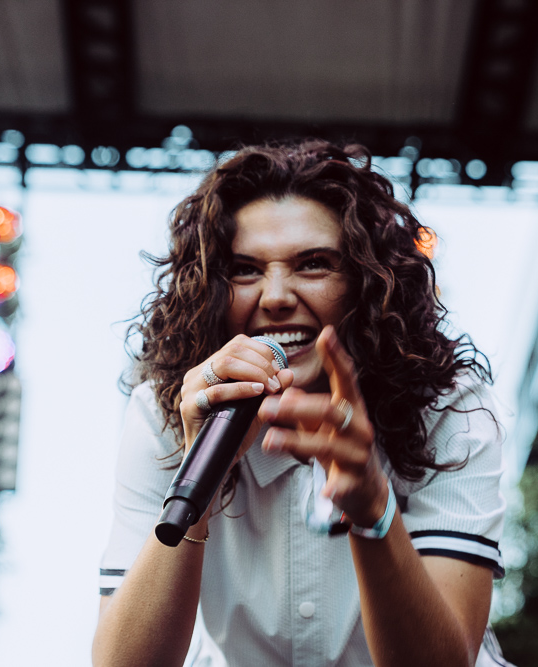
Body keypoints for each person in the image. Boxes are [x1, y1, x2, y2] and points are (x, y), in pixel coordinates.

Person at [93, 140, 509, 667]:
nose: (275, 297)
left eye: (313, 265)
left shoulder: (449, 406)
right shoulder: (167, 411)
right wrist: (199, 477)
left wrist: (372, 509)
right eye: (244, 270)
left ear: (367, 283)